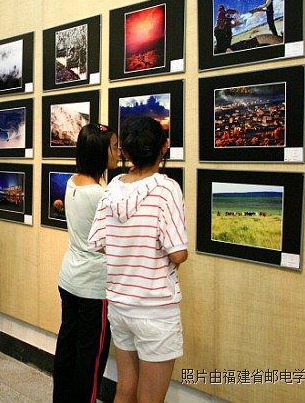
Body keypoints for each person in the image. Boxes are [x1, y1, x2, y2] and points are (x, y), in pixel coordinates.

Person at [87, 117, 188, 403]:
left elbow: (98, 243)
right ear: (164, 147)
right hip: (154, 307)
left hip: (120, 305)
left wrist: (127, 249)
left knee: (124, 390)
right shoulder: (166, 188)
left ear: (126, 151)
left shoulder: (113, 187)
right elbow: (178, 253)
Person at [53, 123, 120, 403]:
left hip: (69, 279)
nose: (119, 152)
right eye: (114, 147)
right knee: (90, 359)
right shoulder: (102, 195)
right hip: (94, 287)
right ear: (99, 153)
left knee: (67, 348)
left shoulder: (72, 182)